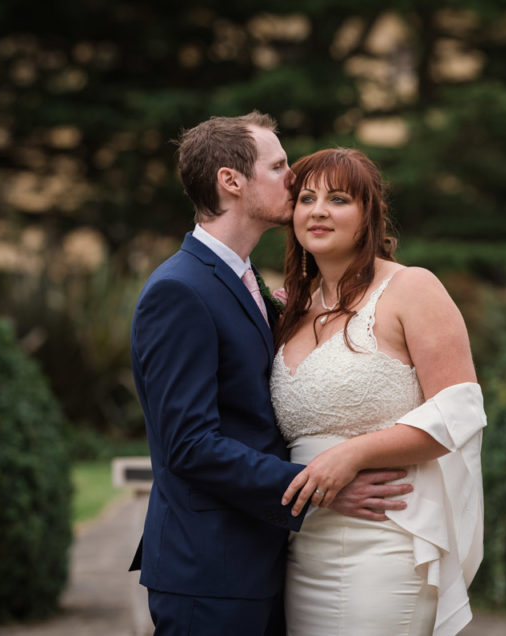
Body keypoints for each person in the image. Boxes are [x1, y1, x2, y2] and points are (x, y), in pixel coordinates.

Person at [128, 113, 413, 636]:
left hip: (261, 560)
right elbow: (188, 444)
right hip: (209, 569)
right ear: (231, 181)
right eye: (279, 165)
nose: (294, 179)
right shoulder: (180, 289)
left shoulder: (247, 281)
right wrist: (316, 488)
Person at [270, 147, 486, 635]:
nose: (319, 210)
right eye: (306, 198)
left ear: (368, 214)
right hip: (302, 546)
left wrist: (353, 455)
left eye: (339, 198)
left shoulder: (412, 288)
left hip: (387, 537)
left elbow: (461, 409)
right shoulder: (291, 308)